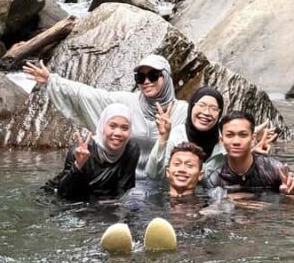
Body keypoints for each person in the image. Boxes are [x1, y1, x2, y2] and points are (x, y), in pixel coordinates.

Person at [23, 53, 188, 179]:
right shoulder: (126, 103)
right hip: (126, 182)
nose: (146, 81)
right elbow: (87, 95)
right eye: (140, 77)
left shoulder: (182, 111)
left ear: (166, 78)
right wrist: (52, 80)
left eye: (152, 75)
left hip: (167, 184)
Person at [49, 104, 139, 201]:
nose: (118, 133)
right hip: (64, 196)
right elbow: (63, 195)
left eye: (124, 128)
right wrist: (78, 165)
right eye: (112, 126)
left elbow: (124, 189)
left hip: (102, 202)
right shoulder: (82, 151)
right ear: (102, 127)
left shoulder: (131, 149)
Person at [208, 111, 294, 196]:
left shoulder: (274, 168)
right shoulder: (214, 175)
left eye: (243, 135)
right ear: (221, 140)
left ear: (253, 138)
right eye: (229, 135)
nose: (236, 141)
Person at [146, 86, 225, 180]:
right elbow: (153, 175)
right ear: (191, 106)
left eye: (214, 108)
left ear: (219, 114)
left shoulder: (223, 142)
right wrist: (163, 138)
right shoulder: (178, 135)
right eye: (201, 105)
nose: (207, 112)